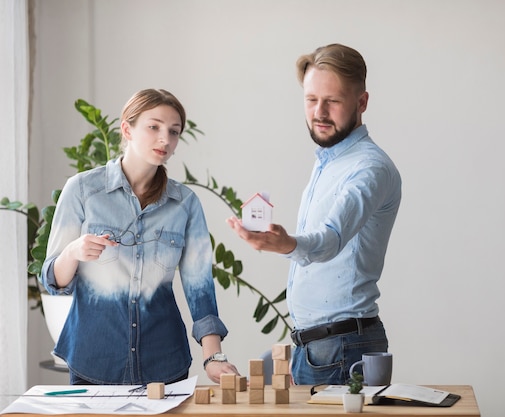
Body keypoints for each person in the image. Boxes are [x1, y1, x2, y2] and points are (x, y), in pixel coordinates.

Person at [227, 43, 402, 385]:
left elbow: (330, 239)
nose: (319, 112)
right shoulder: (328, 161)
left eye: (332, 101)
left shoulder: (369, 168)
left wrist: (287, 244)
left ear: (361, 103)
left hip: (342, 349)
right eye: (311, 100)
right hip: (321, 347)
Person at [41, 89, 239, 385]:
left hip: (165, 363)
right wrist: (73, 252)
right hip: (93, 360)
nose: (165, 139)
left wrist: (214, 358)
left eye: (174, 132)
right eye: (154, 127)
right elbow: (52, 280)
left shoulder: (184, 204)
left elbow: (199, 288)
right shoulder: (82, 190)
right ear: (127, 129)